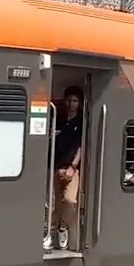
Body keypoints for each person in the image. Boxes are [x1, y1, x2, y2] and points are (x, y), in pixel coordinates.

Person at [46, 85, 83, 252]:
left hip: (71, 170)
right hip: (54, 167)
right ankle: (49, 233)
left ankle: (63, 228)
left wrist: (72, 166)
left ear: (80, 103)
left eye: (75, 101)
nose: (71, 104)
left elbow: (81, 147)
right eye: (69, 100)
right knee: (52, 204)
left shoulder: (81, 123)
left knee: (70, 200)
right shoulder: (57, 121)